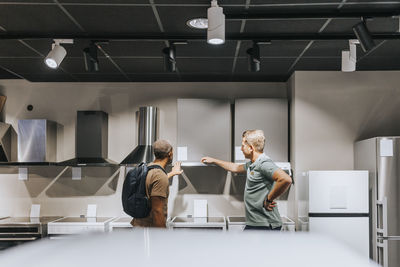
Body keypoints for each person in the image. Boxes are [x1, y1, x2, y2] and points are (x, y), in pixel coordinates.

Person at [201, 130, 292, 231]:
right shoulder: (253, 164)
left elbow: (285, 179)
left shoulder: (263, 163)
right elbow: (235, 167)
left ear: (251, 148)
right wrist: (214, 160)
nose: (241, 149)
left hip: (265, 224)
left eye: (243, 145)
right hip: (256, 223)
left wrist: (269, 199)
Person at [131, 139, 183, 228]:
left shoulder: (147, 169)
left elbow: (153, 182)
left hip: (138, 225)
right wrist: (161, 235)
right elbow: (157, 210)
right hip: (151, 229)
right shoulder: (159, 176)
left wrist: (172, 173)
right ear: (170, 153)